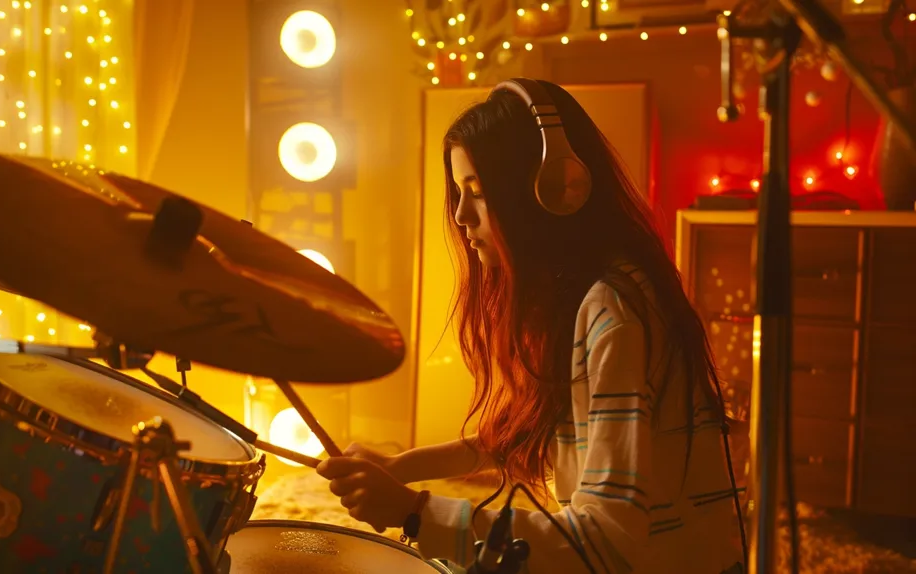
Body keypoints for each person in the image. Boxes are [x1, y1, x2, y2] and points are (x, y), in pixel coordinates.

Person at [317, 78, 745, 574]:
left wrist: (414, 512)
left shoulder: (612, 313)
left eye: (478, 193)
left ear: (549, 193)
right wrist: (401, 467)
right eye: (458, 192)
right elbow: (522, 432)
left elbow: (607, 543)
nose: (460, 215)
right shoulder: (592, 289)